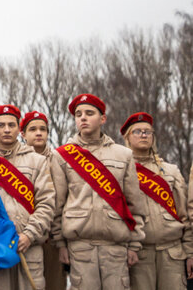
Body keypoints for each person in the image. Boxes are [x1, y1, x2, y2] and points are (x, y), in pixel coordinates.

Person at [50, 93, 145, 290]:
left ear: (103, 119)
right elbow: (57, 204)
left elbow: (134, 204)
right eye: (78, 114)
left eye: (89, 113)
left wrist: (135, 244)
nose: (82, 117)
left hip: (116, 247)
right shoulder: (62, 156)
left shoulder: (124, 155)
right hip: (80, 246)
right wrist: (60, 244)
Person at [120, 112, 193, 289]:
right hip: (139, 255)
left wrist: (190, 252)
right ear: (128, 137)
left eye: (148, 131)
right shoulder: (121, 171)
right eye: (137, 131)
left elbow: (186, 214)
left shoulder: (171, 171)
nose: (144, 135)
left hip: (173, 254)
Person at [0, 105, 55, 290]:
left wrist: (29, 234)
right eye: (1, 125)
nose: (6, 130)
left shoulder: (37, 161)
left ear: (19, 129)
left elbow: (46, 204)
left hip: (29, 245)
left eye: (11, 125)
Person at [20, 111, 67, 290]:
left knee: (55, 284)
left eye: (43, 129)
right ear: (23, 134)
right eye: (32, 129)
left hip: (54, 238)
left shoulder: (60, 161)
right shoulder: (15, 161)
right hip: (27, 236)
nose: (38, 133)